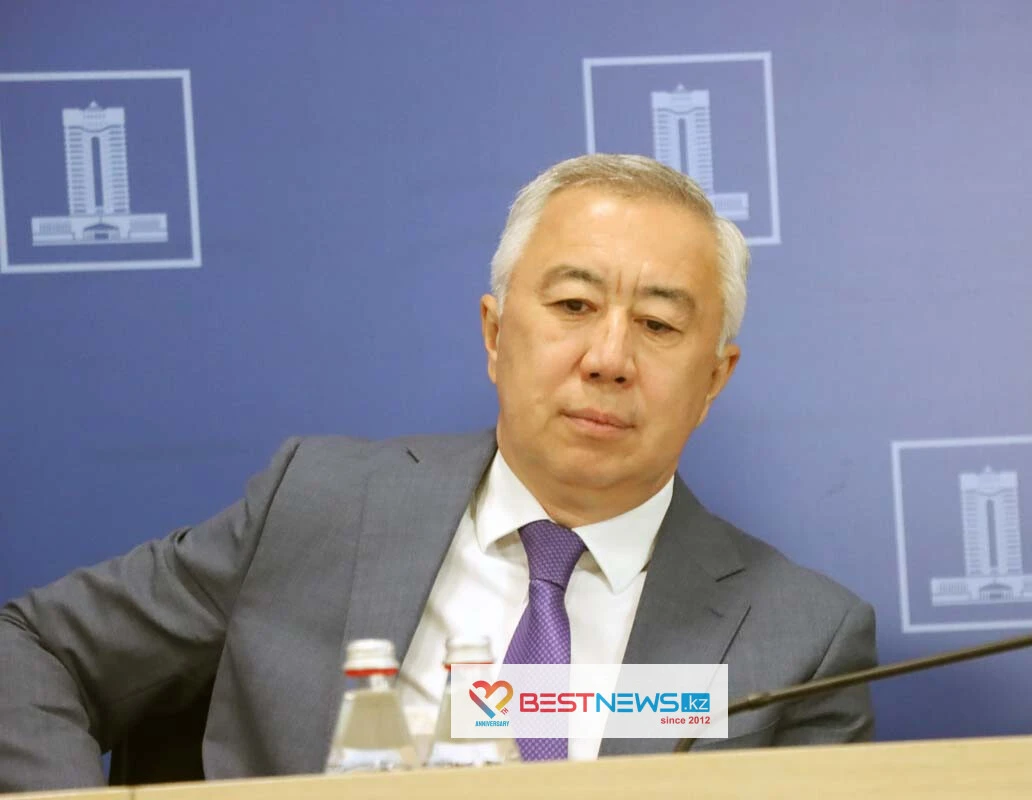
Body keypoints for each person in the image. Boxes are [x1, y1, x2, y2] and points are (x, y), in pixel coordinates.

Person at [0, 154, 876, 791]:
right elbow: (32, 648)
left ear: (714, 379)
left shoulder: (800, 639)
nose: (609, 358)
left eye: (657, 324)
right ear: (495, 334)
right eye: (574, 305)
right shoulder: (321, 507)